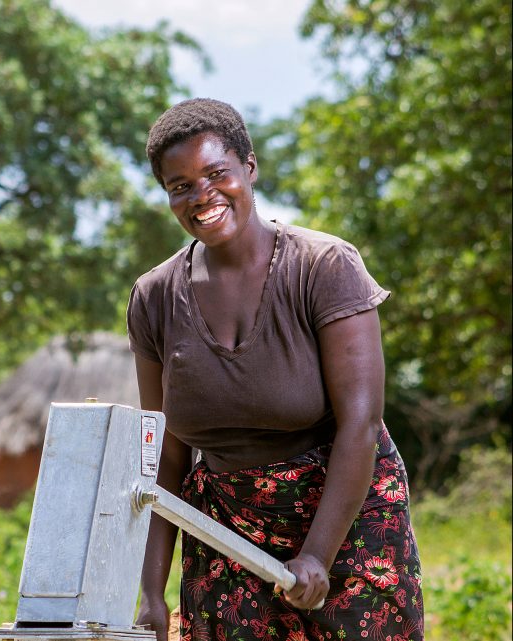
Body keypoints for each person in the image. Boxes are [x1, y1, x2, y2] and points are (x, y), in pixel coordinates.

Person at [127, 98, 423, 641]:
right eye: (181, 185)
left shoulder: (324, 266)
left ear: (250, 167)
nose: (202, 195)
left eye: (217, 174)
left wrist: (317, 554)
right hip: (224, 531)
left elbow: (360, 425)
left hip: (347, 521)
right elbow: (165, 454)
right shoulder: (154, 297)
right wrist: (150, 592)